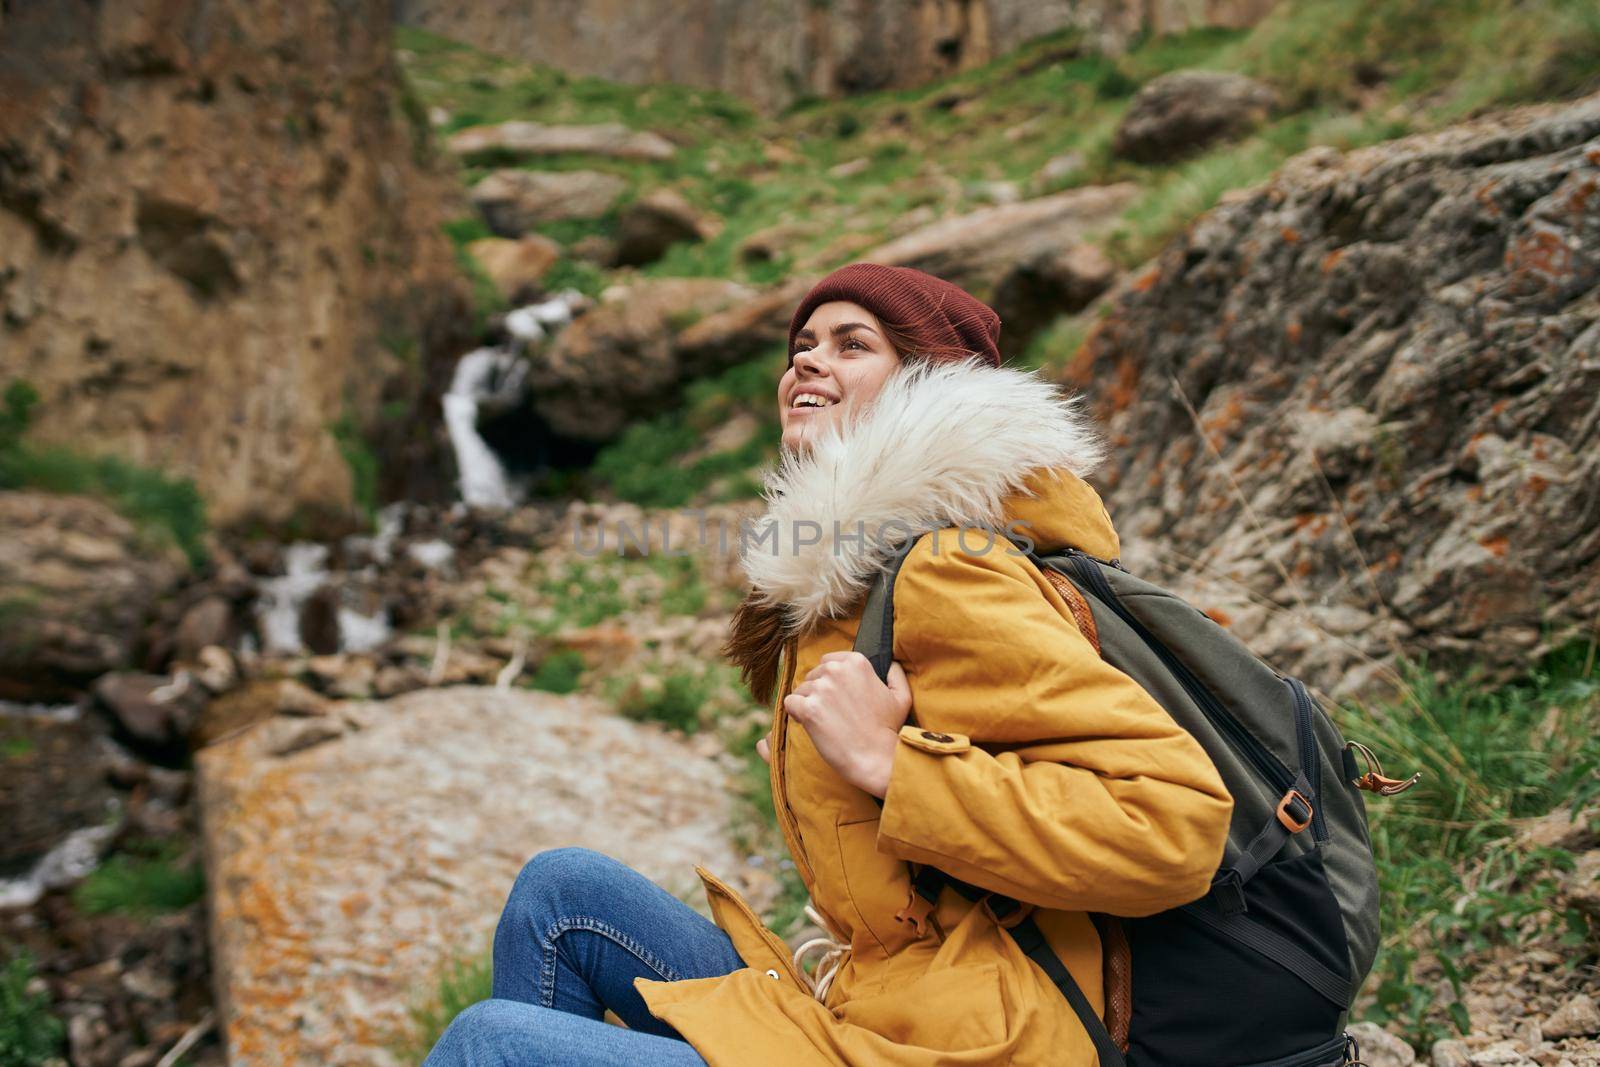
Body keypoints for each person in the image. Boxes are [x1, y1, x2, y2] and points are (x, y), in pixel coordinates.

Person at [424, 262, 1234, 1066]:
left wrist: (891, 764)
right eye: (803, 344)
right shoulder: (853, 581)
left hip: (979, 1043)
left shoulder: (950, 569)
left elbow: (1174, 824)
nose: (808, 360)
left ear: (929, 387)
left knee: (488, 1045)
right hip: (878, 1006)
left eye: (853, 345)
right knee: (563, 893)